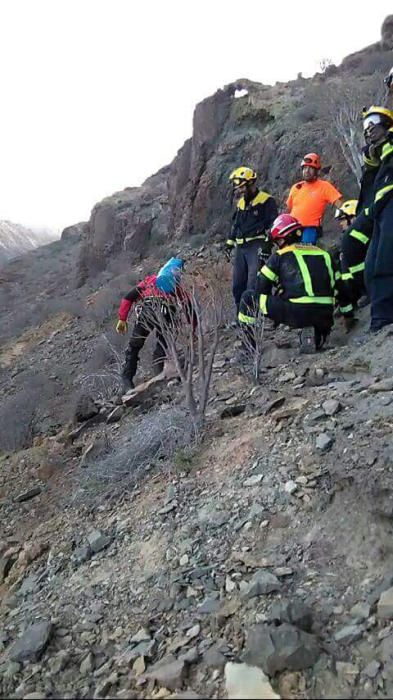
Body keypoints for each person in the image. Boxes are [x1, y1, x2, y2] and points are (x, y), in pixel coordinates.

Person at [238, 214, 353, 353]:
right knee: (314, 307)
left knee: (248, 298)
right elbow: (342, 289)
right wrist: (348, 316)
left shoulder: (279, 256)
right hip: (325, 314)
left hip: (296, 313)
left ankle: (248, 349)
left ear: (283, 239)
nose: (277, 245)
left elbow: (260, 288)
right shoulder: (324, 254)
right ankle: (318, 334)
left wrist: (277, 294)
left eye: (278, 242)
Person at [116, 257, 189, 391]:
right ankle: (159, 375)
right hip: (167, 314)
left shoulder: (149, 281)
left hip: (147, 313)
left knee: (134, 347)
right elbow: (187, 305)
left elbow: (128, 297)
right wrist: (193, 326)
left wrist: (122, 318)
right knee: (161, 346)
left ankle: (127, 380)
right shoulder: (175, 286)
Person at [351, 105, 393, 332]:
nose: (368, 130)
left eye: (373, 123)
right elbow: (368, 186)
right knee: (372, 265)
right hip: (379, 209)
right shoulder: (378, 159)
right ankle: (378, 318)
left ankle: (384, 318)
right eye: (365, 126)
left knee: (385, 259)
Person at [226, 166, 277, 314]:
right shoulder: (241, 203)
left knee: (252, 284)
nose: (240, 190)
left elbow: (273, 225)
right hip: (241, 248)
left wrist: (267, 246)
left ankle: (253, 318)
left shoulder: (267, 201)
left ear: (250, 184)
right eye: (238, 188)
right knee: (237, 286)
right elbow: (236, 225)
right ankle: (240, 317)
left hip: (256, 246)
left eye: (242, 187)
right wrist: (229, 243)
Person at [287, 153, 343, 244]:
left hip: (311, 228)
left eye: (310, 168)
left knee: (306, 253)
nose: (307, 171)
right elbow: (289, 209)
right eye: (305, 168)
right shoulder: (296, 187)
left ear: (316, 171)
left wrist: (346, 216)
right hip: (293, 228)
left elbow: (339, 204)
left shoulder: (324, 186)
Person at [335, 199, 370, 304]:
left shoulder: (360, 233)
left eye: (343, 219)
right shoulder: (349, 236)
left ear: (353, 217)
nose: (341, 223)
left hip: (369, 279)